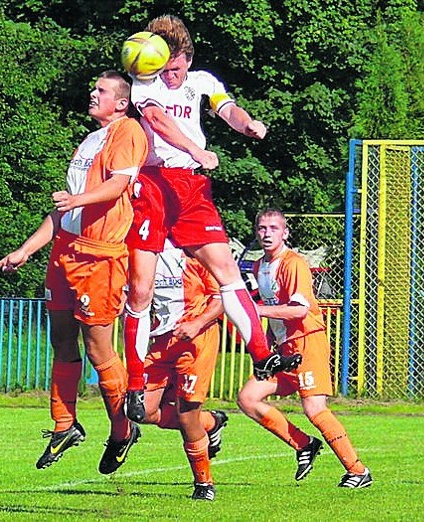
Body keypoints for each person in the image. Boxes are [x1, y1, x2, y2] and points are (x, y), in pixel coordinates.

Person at [123, 14, 301, 422]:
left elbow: (228, 109)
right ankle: (136, 382)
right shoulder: (143, 80)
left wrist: (249, 125)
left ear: (186, 57)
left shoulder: (201, 81)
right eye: (163, 69)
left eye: (175, 67)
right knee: (140, 290)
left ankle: (262, 356)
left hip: (191, 188)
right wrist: (196, 150)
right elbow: (156, 120)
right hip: (152, 184)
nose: (169, 75)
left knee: (228, 273)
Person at [0, 70, 148, 475]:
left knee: (99, 349)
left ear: (121, 102)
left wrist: (77, 198)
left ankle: (122, 429)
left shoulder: (127, 130)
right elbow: (64, 210)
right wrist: (25, 249)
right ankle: (65, 423)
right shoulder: (90, 140)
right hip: (64, 253)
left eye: (100, 90)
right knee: (61, 339)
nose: (92, 94)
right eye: (93, 88)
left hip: (99, 258)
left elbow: (117, 186)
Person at [236, 208, 373, 488]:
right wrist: (267, 347)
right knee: (248, 398)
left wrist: (256, 311)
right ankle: (304, 445)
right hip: (284, 349)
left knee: (314, 408)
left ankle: (358, 471)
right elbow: (274, 312)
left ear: (285, 233)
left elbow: (299, 311)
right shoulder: (258, 265)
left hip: (307, 341)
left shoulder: (293, 263)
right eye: (262, 228)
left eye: (274, 228)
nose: (267, 233)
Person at [139, 240, 228, 501]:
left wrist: (197, 323)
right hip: (162, 340)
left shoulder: (196, 253)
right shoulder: (144, 252)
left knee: (187, 414)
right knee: (141, 410)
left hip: (195, 340)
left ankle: (204, 484)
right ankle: (211, 423)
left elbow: (220, 298)